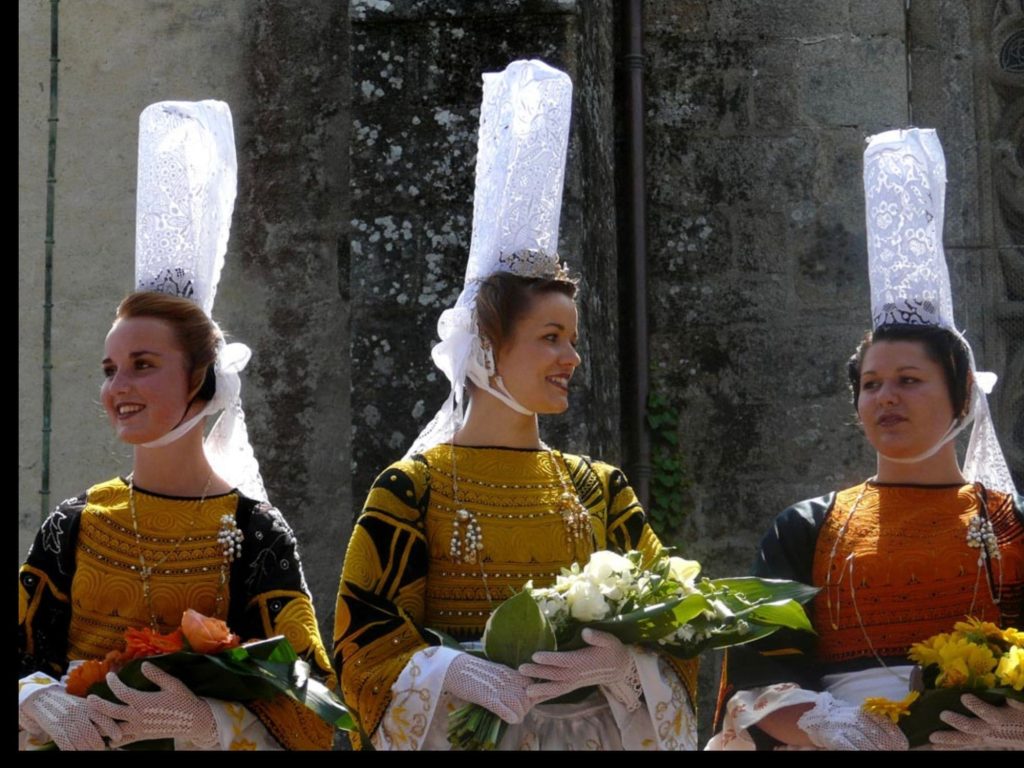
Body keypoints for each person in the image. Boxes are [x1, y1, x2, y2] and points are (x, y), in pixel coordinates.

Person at [333, 60, 698, 751]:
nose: (572, 358)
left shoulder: (602, 490)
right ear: (487, 349)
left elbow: (678, 626)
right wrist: (454, 673)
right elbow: (362, 643)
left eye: (574, 339)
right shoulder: (412, 490)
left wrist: (626, 667)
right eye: (550, 338)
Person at [18, 102, 334, 751]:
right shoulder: (73, 525)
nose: (117, 388)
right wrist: (37, 703)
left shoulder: (254, 533)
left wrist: (214, 726)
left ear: (201, 380)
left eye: (143, 365)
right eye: (109, 369)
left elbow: (317, 712)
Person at [709, 129, 1023, 751]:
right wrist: (842, 730)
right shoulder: (807, 527)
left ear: (962, 398)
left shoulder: (1009, 523)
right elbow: (757, 677)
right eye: (872, 384)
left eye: (909, 380)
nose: (887, 398)